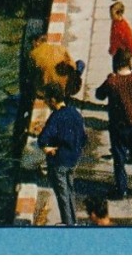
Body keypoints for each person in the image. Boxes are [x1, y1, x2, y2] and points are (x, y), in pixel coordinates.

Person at [95, 48, 132, 197]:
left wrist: (109, 78)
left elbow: (99, 95)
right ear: (129, 63)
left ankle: (122, 188)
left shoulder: (112, 81)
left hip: (118, 126)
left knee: (119, 158)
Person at [37, 87, 88, 225]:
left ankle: (68, 224)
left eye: (46, 100)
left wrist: (47, 149)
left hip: (59, 161)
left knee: (62, 195)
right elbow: (83, 138)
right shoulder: (75, 113)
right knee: (70, 190)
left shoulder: (56, 117)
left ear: (53, 100)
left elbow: (42, 139)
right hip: (73, 159)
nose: (46, 103)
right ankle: (73, 221)